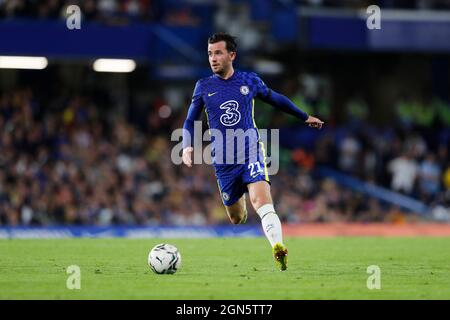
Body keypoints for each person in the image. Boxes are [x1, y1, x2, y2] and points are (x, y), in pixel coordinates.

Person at [181, 33, 324, 271]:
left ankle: (278, 246)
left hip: (250, 151)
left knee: (261, 200)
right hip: (223, 160)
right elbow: (189, 121)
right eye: (209, 54)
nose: (213, 58)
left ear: (231, 55)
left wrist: (304, 116)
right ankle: (242, 200)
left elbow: (276, 99)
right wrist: (186, 145)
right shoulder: (203, 86)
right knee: (237, 217)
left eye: (218, 53)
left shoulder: (249, 80)